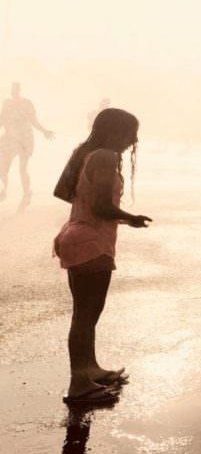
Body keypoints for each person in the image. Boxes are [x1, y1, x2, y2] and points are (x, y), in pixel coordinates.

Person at [52, 108, 150, 405]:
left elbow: (67, 193)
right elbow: (101, 207)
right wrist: (129, 217)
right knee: (85, 314)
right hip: (91, 242)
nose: (134, 139)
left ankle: (89, 369)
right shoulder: (105, 156)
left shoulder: (89, 153)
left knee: (87, 313)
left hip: (77, 235)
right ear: (115, 131)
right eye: (131, 132)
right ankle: (79, 383)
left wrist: (91, 209)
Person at [1, 82, 55, 203]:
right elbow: (2, 120)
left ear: (19, 90)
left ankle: (26, 194)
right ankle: (4, 189)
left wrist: (44, 131)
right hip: (10, 139)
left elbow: (34, 120)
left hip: (25, 140)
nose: (13, 91)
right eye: (12, 89)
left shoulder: (27, 103)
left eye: (15, 89)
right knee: (4, 167)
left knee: (22, 168)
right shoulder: (7, 103)